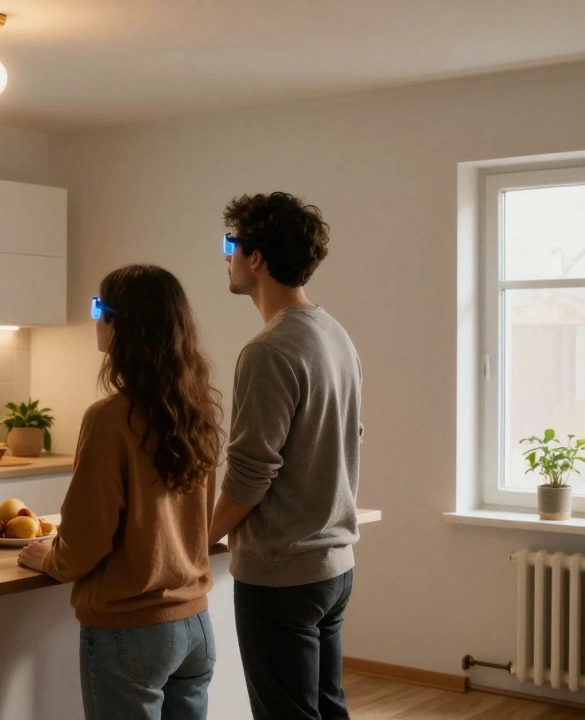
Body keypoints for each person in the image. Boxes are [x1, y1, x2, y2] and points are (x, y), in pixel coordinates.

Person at [18, 264, 225, 720]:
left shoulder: (109, 418)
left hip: (130, 632)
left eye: (98, 307)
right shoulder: (197, 412)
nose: (95, 318)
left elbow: (88, 536)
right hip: (195, 624)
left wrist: (51, 558)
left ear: (119, 323)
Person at [208, 192, 363, 720]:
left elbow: (251, 473)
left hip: (281, 574)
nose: (225, 256)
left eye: (231, 245)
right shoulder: (334, 334)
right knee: (326, 711)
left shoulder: (269, 349)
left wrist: (198, 536)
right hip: (333, 566)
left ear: (256, 257)